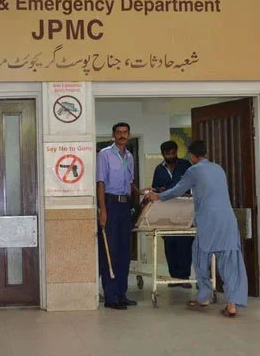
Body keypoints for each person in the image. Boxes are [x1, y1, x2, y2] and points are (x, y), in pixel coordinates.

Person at [145, 140, 247, 318]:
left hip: (208, 220)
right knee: (230, 261)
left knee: (200, 257)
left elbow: (177, 190)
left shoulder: (193, 170)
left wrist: (157, 196)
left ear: (192, 156)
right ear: (205, 153)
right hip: (228, 220)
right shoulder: (218, 168)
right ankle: (232, 304)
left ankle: (204, 297)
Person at [97, 122, 140, 310]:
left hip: (125, 207)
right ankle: (111, 297)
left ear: (129, 135)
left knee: (124, 252)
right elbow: (100, 183)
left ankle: (122, 294)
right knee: (109, 252)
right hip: (111, 204)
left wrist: (141, 193)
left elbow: (130, 183)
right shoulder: (104, 154)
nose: (122, 135)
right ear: (113, 135)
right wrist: (103, 210)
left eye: (125, 132)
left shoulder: (129, 156)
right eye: (118, 133)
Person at [151, 140, 194, 288]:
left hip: (184, 210)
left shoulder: (185, 165)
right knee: (170, 244)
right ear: (163, 154)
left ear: (177, 152)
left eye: (173, 153)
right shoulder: (159, 169)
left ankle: (184, 277)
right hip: (166, 211)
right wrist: (160, 190)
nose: (170, 156)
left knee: (185, 244)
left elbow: (191, 185)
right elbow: (154, 188)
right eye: (167, 154)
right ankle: (174, 277)